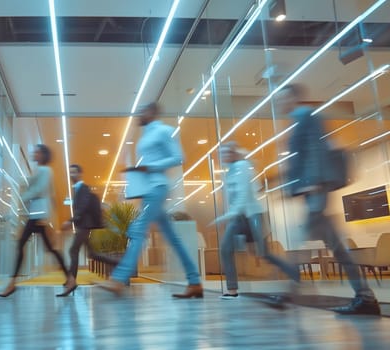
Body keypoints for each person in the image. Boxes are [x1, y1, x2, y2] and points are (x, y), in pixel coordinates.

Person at [274, 84, 379, 315]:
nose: (279, 103)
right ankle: (365, 296)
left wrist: (312, 181)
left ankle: (289, 292)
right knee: (337, 247)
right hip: (313, 189)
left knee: (303, 243)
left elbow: (315, 150)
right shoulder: (296, 121)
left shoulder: (307, 117)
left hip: (317, 189)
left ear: (293, 98)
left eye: (282, 98)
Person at [97, 102, 203, 298]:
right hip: (149, 189)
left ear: (152, 112)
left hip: (158, 187)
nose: (139, 115)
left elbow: (179, 157)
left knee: (138, 231)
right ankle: (195, 282)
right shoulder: (145, 135)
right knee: (172, 238)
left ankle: (118, 280)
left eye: (142, 111)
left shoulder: (164, 131)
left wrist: (150, 167)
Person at [212, 141, 300, 299]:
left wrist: (226, 216)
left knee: (262, 253)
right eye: (221, 153)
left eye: (226, 152)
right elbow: (231, 197)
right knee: (226, 249)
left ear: (233, 153)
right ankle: (232, 290)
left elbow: (243, 195)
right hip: (239, 217)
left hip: (252, 215)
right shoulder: (230, 171)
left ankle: (294, 272)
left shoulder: (242, 167)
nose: (222, 156)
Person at [0, 144, 77, 298]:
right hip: (37, 214)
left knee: (27, 246)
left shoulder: (45, 170)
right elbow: (48, 194)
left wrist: (23, 197)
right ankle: (70, 279)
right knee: (49, 249)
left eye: (37, 152)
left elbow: (40, 190)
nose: (34, 153)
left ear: (43, 155)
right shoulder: (41, 170)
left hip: (39, 216)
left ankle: (11, 285)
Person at [61, 164, 114, 282]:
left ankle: (71, 281)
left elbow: (83, 207)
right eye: (70, 172)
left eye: (74, 172)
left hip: (84, 225)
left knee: (73, 250)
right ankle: (120, 264)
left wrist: (70, 221)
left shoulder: (84, 188)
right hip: (82, 225)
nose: (71, 174)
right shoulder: (77, 189)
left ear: (80, 174)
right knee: (92, 254)